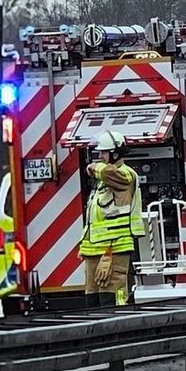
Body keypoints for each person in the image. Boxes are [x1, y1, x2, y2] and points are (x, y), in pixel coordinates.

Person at [79, 131, 144, 305]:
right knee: (92, 296)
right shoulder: (102, 181)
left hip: (116, 246)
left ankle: (118, 328)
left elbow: (109, 173)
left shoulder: (125, 174)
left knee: (113, 295)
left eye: (103, 153)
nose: (100, 157)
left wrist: (93, 167)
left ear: (115, 154)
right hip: (95, 247)